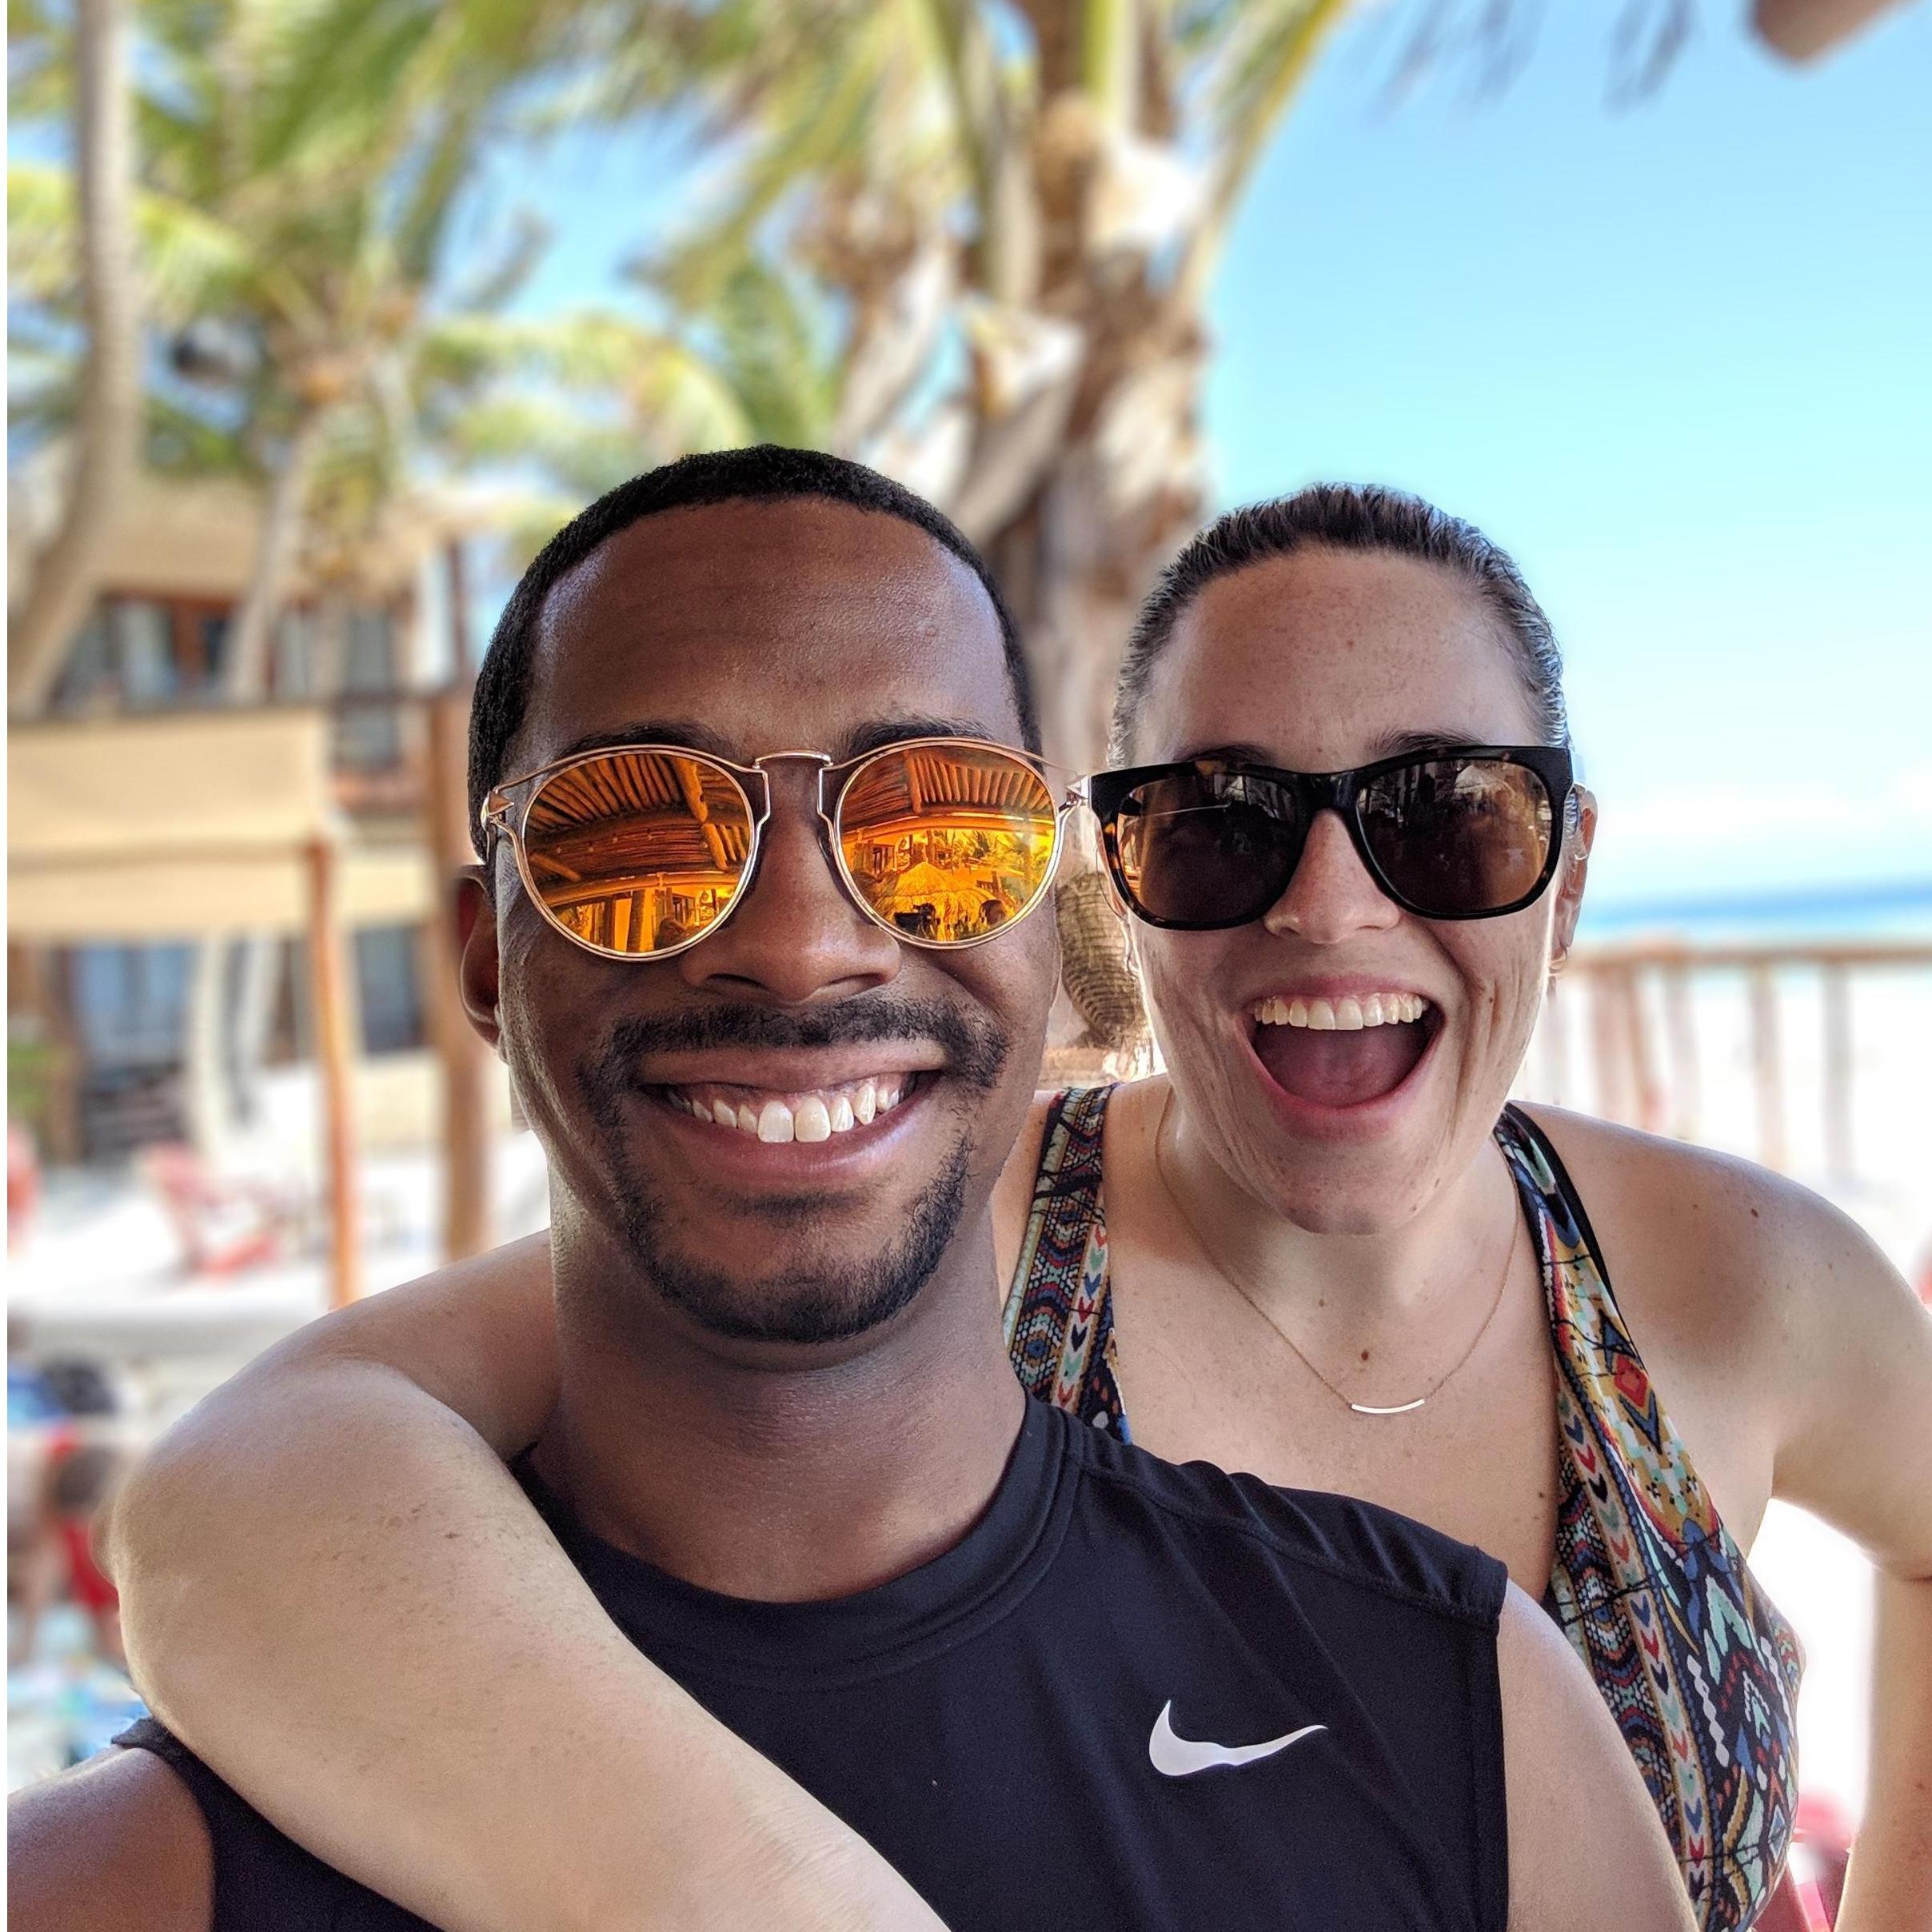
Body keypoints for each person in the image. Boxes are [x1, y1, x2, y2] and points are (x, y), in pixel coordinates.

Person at [87, 481, 1930, 1930]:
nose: (1331, 907)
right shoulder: (910, 1231)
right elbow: (265, 1472)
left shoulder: (1736, 1275)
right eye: (1215, 820)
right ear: (1104, 888)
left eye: (1443, 813)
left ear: (1564, 868)